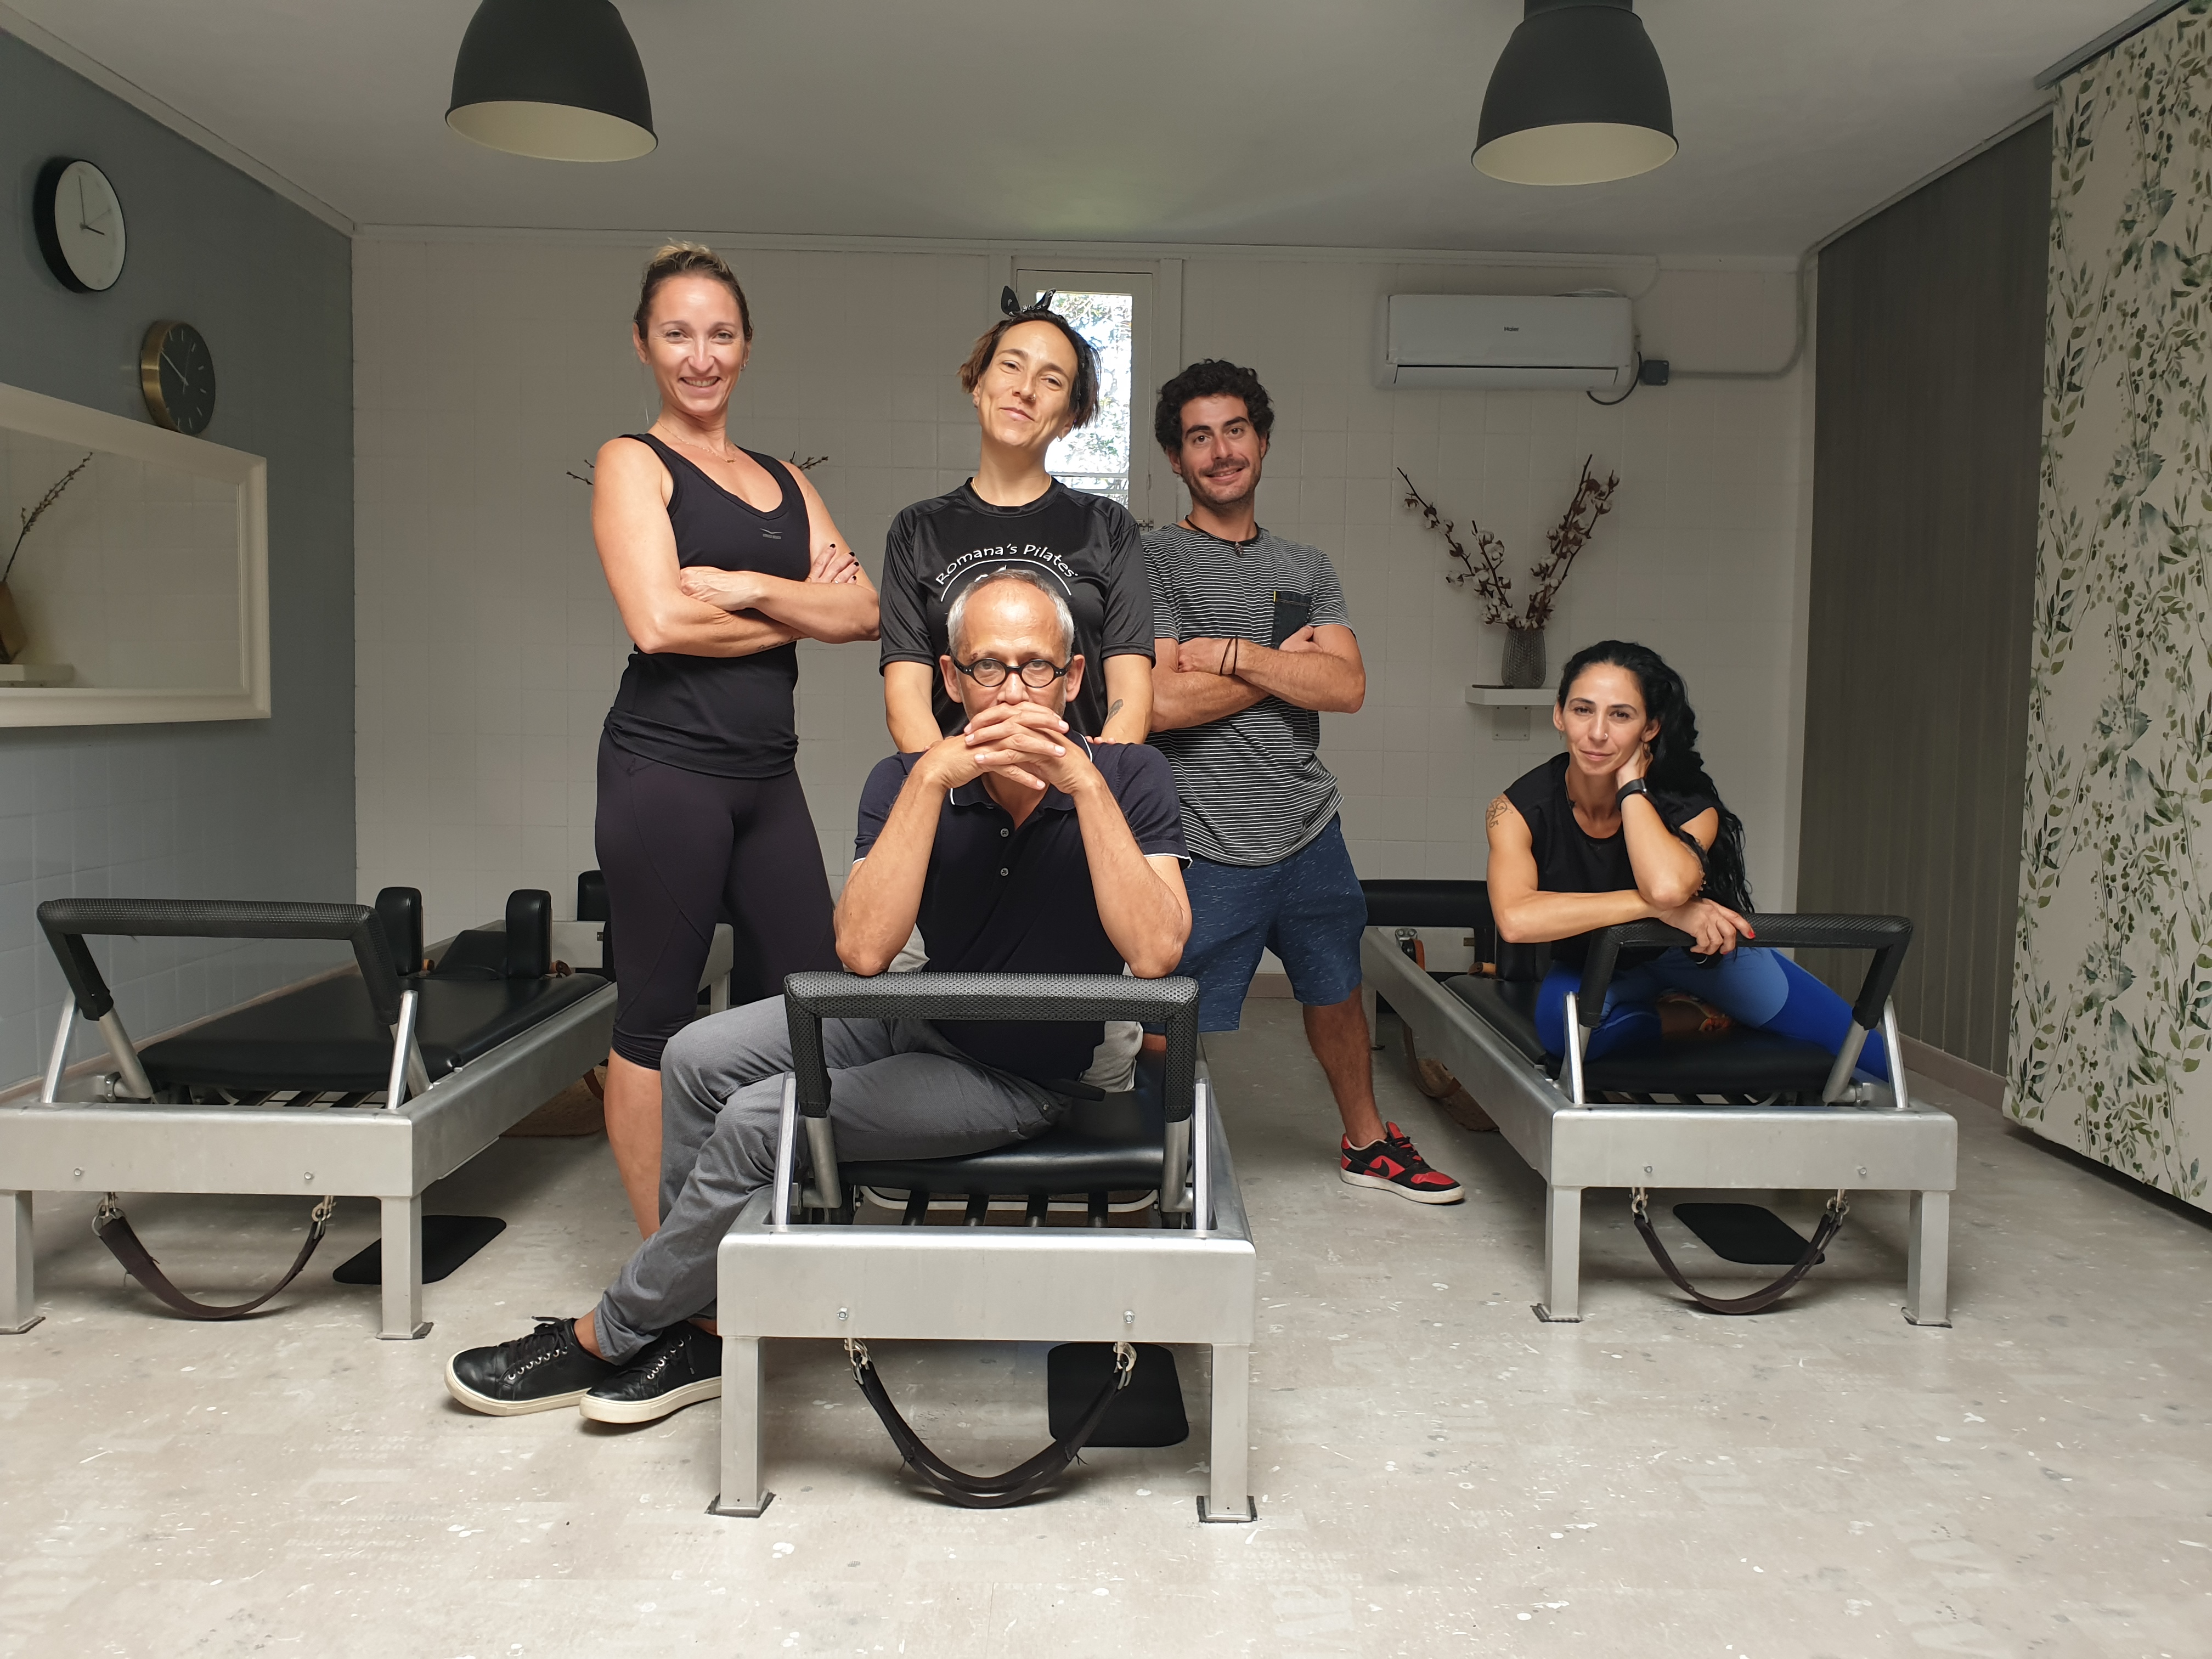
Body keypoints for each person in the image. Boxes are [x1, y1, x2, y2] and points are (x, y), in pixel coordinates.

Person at [445, 569, 1191, 1421]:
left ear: (1073, 676)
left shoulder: (1131, 776)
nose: (1013, 691)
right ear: (952, 681)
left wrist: (1082, 785)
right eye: (989, 667)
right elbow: (863, 953)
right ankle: (707, 1325)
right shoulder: (905, 779)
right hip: (916, 1014)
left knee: (758, 1121)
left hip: (1028, 1070)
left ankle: (605, 1333)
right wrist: (929, 781)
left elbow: (1156, 953)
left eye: (1036, 667)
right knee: (693, 1056)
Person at [590, 242, 881, 1240]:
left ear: (747, 346)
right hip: (663, 772)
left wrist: (754, 587)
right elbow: (658, 623)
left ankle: (771, 1223)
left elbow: (866, 612)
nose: (700, 355)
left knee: (806, 1000)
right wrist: (802, 611)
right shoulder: (633, 463)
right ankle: (661, 1270)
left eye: (720, 334)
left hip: (766, 778)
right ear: (643, 344)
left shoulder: (786, 480)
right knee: (655, 1015)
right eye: (677, 334)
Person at [1146, 359, 1464, 1204]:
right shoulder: (1153, 560)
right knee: (1168, 1011)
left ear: (1263, 441)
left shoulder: (1306, 567)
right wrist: (1288, 666)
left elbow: (1348, 687)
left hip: (1310, 829)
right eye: (1200, 437)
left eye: (1235, 430)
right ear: (1175, 458)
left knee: (1336, 989)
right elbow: (1163, 703)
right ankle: (1158, 1161)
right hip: (1203, 834)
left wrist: (1235, 655)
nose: (1221, 451)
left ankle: (1368, 1142)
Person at [1485, 638, 1891, 1078]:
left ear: (1650, 728)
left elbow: (1665, 888)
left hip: (1698, 953)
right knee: (1564, 1034)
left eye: (1621, 715)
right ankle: (1688, 1014)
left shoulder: (1688, 803)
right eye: (1583, 710)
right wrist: (1668, 912)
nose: (1597, 733)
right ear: (1559, 715)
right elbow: (1516, 921)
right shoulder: (1516, 810)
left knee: (1871, 1057)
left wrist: (1631, 787)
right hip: (1596, 962)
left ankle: (1709, 998)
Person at [879, 289, 1154, 752]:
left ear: (1069, 419)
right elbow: (906, 698)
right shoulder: (917, 530)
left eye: (1052, 380)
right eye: (1011, 365)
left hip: (1075, 783)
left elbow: (1133, 696)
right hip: (957, 788)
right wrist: (947, 782)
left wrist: (1090, 780)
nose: (1025, 389)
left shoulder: (1107, 527)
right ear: (977, 385)